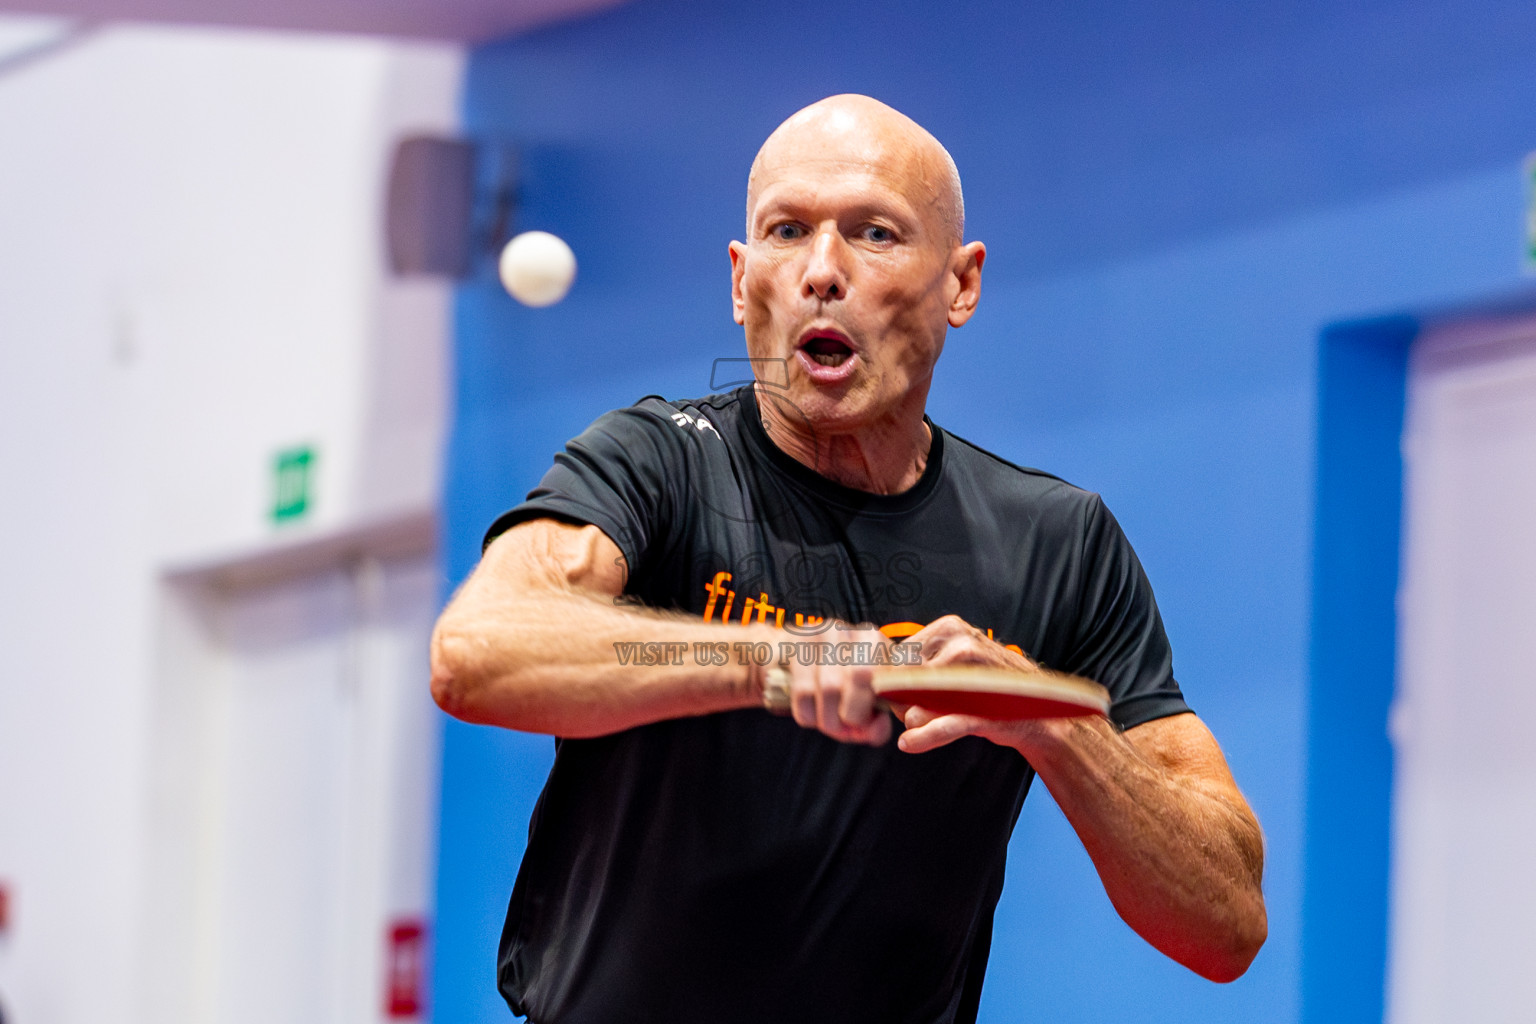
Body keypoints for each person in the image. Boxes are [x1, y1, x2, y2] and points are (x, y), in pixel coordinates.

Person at [430, 93, 1266, 1023]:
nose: (821, 272)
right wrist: (768, 658)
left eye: (873, 233)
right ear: (743, 281)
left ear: (961, 284)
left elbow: (1225, 924)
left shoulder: (1057, 542)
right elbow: (478, 652)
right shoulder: (655, 461)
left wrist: (1053, 722)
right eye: (787, 232)